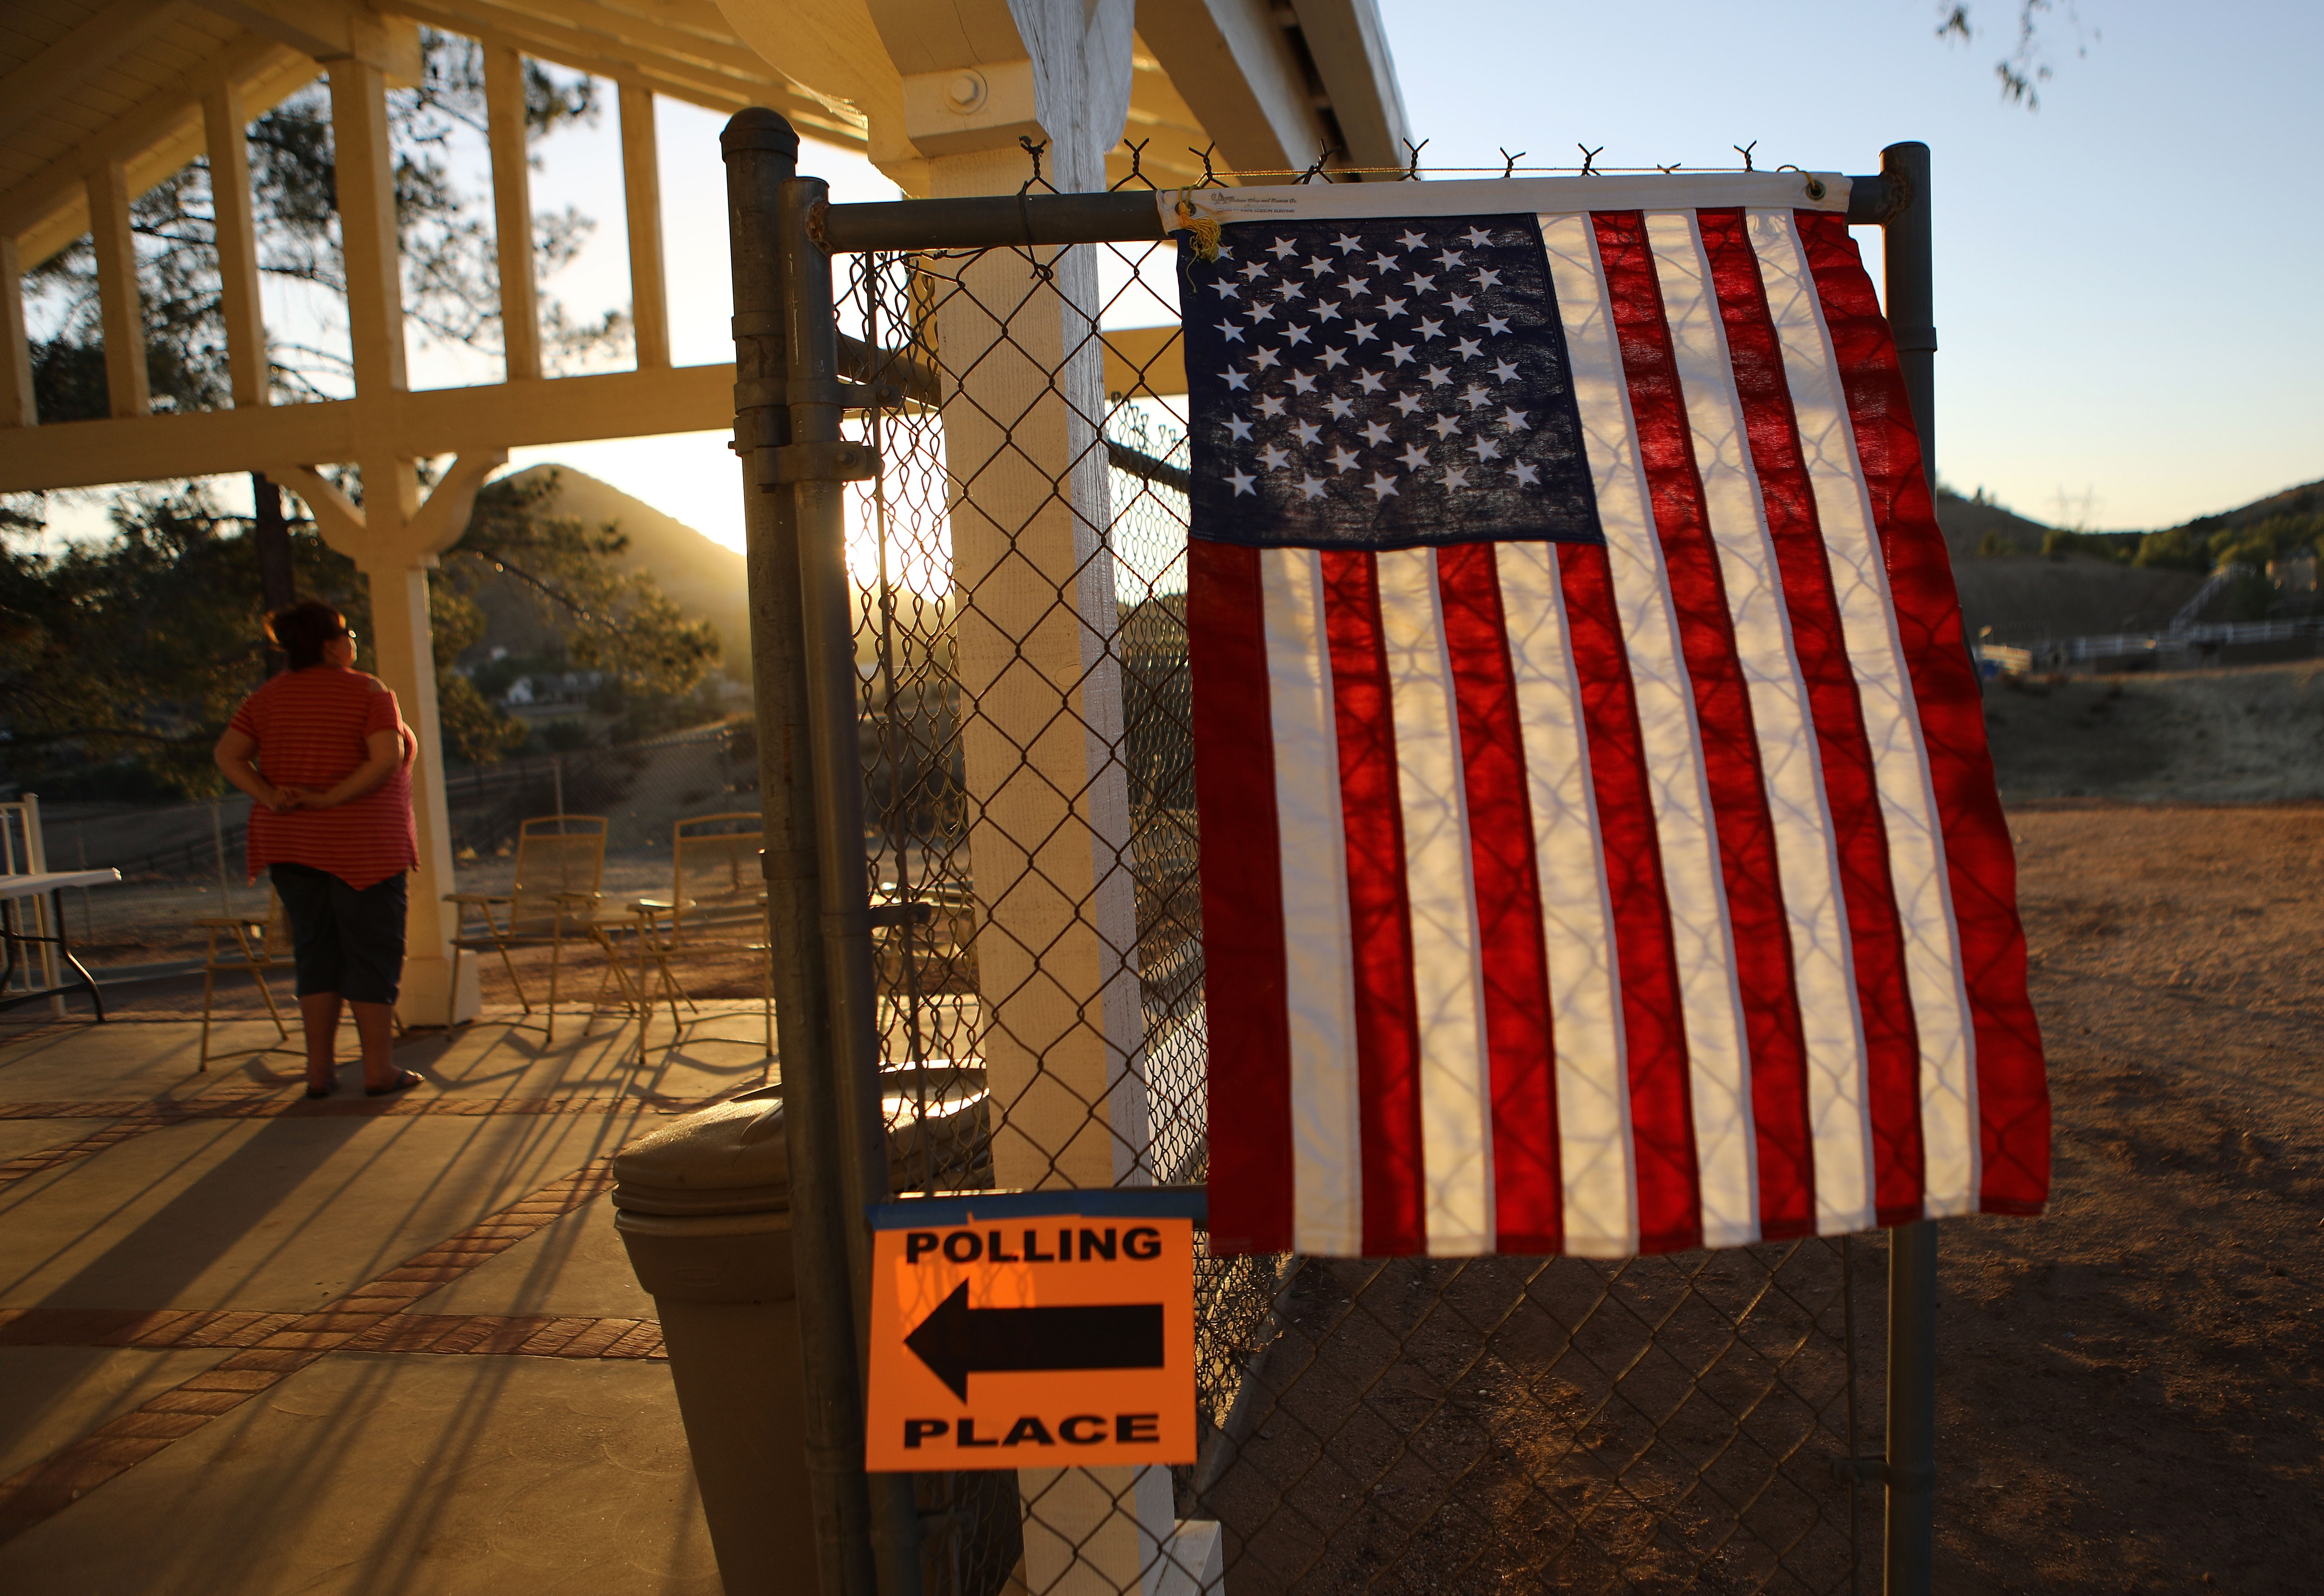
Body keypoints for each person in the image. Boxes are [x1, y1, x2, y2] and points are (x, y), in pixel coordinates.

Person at [214, 600, 424, 1099]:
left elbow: (228, 755)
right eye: (348, 633)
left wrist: (271, 795)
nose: (353, 640)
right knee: (372, 951)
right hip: (365, 845)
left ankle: (319, 1072)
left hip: (291, 841)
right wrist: (330, 798)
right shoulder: (369, 690)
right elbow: (385, 759)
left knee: (316, 950)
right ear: (332, 645)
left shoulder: (266, 698)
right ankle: (378, 1070)